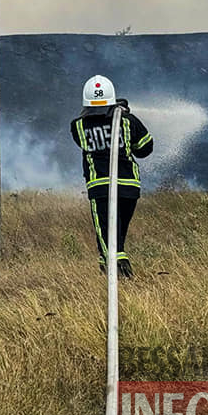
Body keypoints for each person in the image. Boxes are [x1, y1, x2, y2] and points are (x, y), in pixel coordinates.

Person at [70, 75, 153, 279]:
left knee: (107, 239)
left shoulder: (78, 126)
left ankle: (124, 279)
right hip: (128, 188)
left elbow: (86, 142)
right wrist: (124, 117)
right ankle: (105, 276)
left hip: (100, 188)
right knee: (117, 238)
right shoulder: (127, 121)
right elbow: (145, 149)